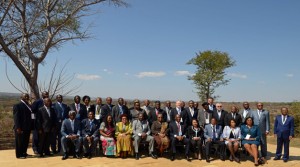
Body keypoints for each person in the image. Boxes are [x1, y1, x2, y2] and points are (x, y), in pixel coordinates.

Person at [13, 93, 32, 158]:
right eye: (25, 96)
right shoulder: (17, 105)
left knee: (25, 141)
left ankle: (24, 152)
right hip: (20, 128)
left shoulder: (29, 105)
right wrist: (18, 127)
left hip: (27, 127)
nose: (27, 97)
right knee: (19, 142)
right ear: (21, 97)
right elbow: (16, 118)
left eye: (27, 96)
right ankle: (19, 154)